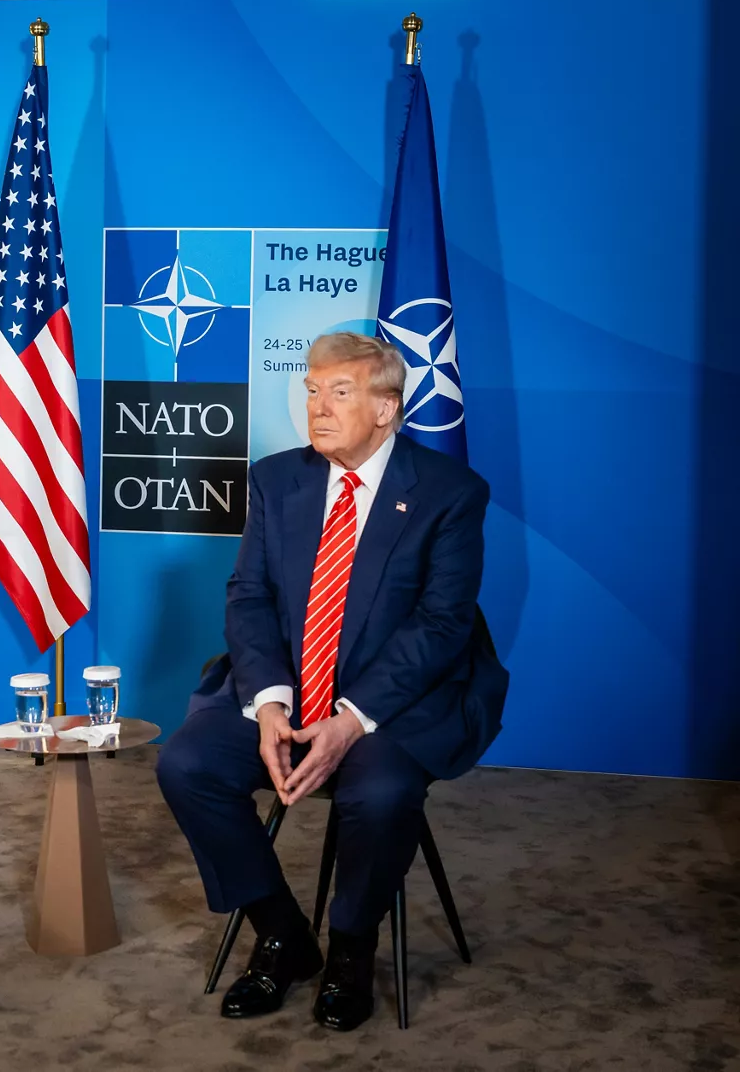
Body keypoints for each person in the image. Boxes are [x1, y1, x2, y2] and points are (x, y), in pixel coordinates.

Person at [157, 332, 507, 1031]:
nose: (316, 407)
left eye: (338, 393)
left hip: (394, 703)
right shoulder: (276, 478)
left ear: (385, 409)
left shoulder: (449, 493)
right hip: (288, 686)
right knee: (187, 763)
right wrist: (269, 704)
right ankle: (283, 935)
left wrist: (352, 719)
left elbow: (442, 625)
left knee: (380, 793)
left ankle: (352, 946)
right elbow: (249, 597)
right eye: (312, 390)